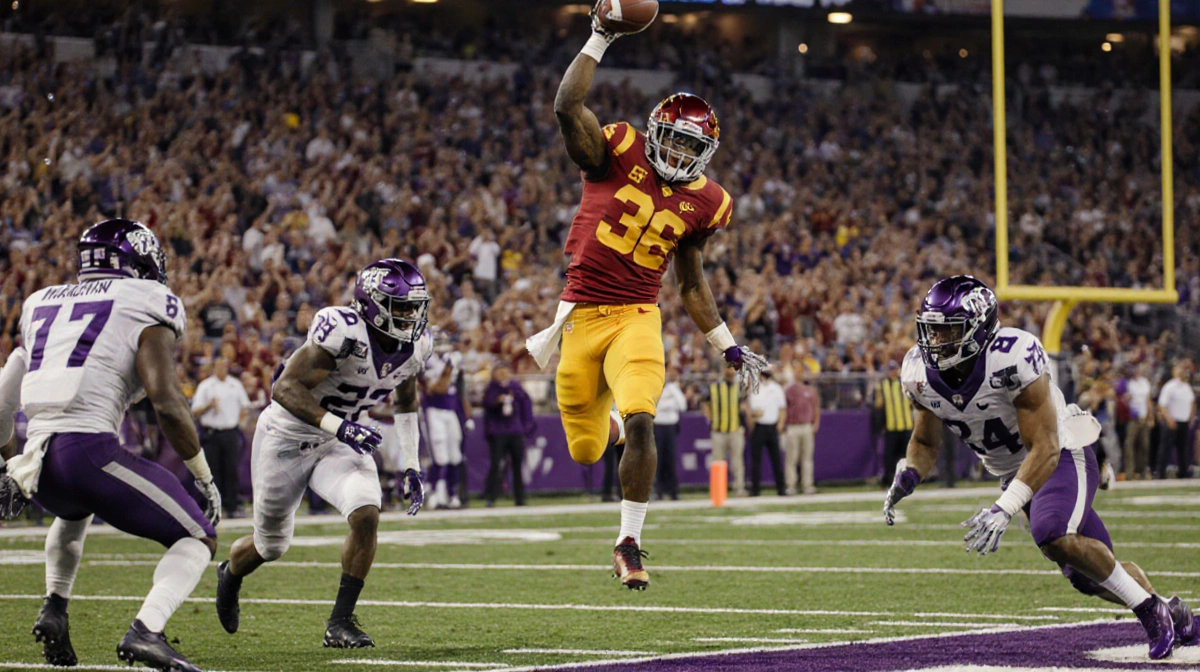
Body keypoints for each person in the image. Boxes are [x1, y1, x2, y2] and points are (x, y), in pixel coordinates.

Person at [526, 0, 767, 590]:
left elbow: (690, 282)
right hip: (581, 317)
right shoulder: (618, 150)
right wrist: (600, 39)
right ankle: (603, 426)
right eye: (674, 143)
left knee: (642, 419)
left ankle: (629, 542)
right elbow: (565, 107)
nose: (680, 156)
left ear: (705, 155)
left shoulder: (708, 202)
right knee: (585, 451)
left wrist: (728, 347)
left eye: (692, 150)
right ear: (655, 132)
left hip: (637, 316)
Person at [883, 276, 1198, 661]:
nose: (937, 342)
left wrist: (1005, 506)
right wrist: (908, 475)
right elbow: (926, 444)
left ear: (979, 328)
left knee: (1050, 530)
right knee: (1088, 574)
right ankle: (1174, 612)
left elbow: (1046, 446)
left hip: (1063, 453)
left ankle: (1150, 613)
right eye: (932, 331)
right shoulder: (919, 374)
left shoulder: (1013, 356)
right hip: (1017, 472)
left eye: (949, 330)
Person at [0, 219, 221, 671]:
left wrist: (12, 467)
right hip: (87, 452)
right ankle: (147, 630)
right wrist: (203, 474)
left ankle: (55, 608)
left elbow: (3, 400)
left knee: (73, 511)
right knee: (198, 536)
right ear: (137, 261)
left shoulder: (40, 303)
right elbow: (167, 402)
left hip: (39, 467)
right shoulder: (145, 300)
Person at [214, 259, 431, 648]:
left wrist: (412, 464)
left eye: (415, 306)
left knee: (366, 512)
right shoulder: (342, 331)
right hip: (288, 435)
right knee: (271, 545)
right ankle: (230, 573)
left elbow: (406, 399)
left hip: (339, 440)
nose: (411, 316)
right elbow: (283, 388)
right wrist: (341, 425)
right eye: (401, 307)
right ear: (372, 304)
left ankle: (340, 622)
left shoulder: (416, 345)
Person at [191, 356, 252, 518]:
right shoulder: (206, 386)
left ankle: (232, 507)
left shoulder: (235, 384)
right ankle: (215, 507)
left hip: (230, 432)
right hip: (212, 433)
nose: (221, 370)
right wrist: (208, 406)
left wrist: (240, 424)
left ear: (227, 368)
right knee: (213, 471)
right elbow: (195, 411)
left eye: (224, 367)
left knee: (231, 470)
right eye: (218, 367)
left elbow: (245, 406)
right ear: (213, 368)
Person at [482, 363, 536, 507]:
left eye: (505, 372)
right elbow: (487, 403)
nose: (503, 375)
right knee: (496, 465)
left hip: (514, 430)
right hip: (498, 431)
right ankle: (491, 497)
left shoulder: (515, 388)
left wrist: (526, 425)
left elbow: (526, 404)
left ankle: (520, 498)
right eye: (500, 373)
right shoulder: (492, 388)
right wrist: (498, 400)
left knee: (518, 465)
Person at [424, 349, 466, 509]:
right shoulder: (427, 359)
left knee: (455, 455)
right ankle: (434, 494)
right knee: (439, 455)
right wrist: (447, 372)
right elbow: (435, 389)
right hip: (434, 410)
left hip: (451, 410)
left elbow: (460, 388)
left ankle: (452, 494)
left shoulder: (455, 356)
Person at [704, 366, 746, 497]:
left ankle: (739, 488)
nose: (731, 372)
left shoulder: (739, 388)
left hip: (735, 429)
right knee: (718, 461)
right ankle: (719, 489)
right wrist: (710, 418)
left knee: (737, 461)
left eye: (733, 369)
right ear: (724, 370)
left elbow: (744, 406)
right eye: (729, 369)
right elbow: (705, 403)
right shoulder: (714, 387)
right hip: (718, 430)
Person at [747, 369, 787, 496]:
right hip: (759, 426)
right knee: (756, 460)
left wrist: (780, 425)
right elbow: (751, 409)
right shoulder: (754, 388)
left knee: (776, 459)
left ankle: (781, 488)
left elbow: (782, 408)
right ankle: (755, 489)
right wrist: (753, 416)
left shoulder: (777, 389)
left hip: (772, 426)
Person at [783, 365, 820, 495]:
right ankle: (791, 485)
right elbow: (784, 408)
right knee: (792, 458)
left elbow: (816, 408)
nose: (799, 374)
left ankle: (807, 484)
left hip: (806, 426)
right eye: (797, 371)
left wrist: (815, 423)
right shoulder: (789, 390)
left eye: (801, 371)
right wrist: (784, 425)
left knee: (807, 458)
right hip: (793, 426)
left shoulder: (811, 390)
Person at [876, 360, 914, 487]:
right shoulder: (883, 385)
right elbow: (878, 404)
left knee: (906, 456)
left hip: (906, 425)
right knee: (890, 457)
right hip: (891, 426)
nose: (893, 372)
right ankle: (889, 481)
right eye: (891, 370)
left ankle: (907, 481)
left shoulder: (905, 383)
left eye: (895, 369)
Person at [1156, 361, 1195, 479]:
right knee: (1165, 449)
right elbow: (1162, 405)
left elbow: (1192, 402)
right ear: (1174, 372)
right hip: (1172, 421)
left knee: (1183, 449)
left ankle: (1183, 472)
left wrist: (1191, 418)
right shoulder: (1170, 386)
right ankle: (1160, 473)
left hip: (1184, 422)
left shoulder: (1187, 387)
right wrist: (1169, 420)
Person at [653, 367, 687, 501]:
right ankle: (659, 491)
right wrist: (669, 404)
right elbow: (656, 406)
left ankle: (673, 491)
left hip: (671, 427)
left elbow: (682, 405)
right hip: (658, 426)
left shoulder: (674, 388)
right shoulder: (656, 387)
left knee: (671, 459)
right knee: (659, 460)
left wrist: (673, 389)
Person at [1121, 364, 1154, 480]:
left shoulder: (1145, 382)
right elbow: (1123, 399)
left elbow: (1148, 400)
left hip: (1143, 417)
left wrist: (1151, 416)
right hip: (1132, 418)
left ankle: (1142, 470)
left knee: (1144, 445)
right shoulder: (1128, 383)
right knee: (1129, 444)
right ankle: (1129, 472)